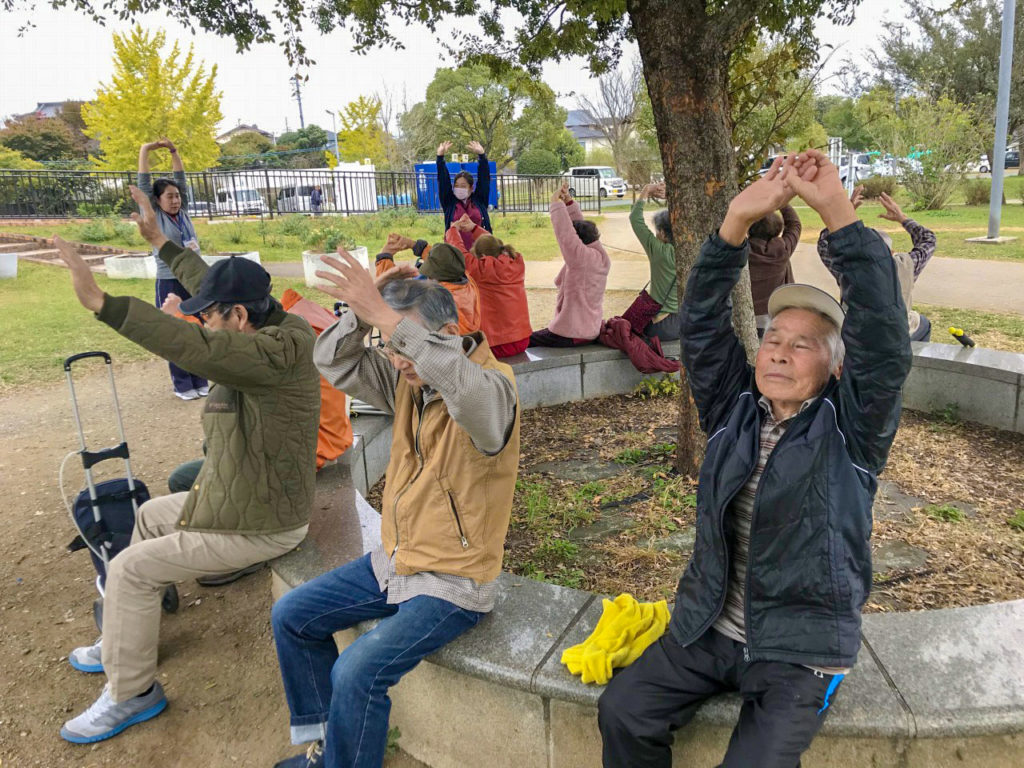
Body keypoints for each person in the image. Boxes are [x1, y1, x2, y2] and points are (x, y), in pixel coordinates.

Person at [597, 151, 913, 768]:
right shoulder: (733, 408)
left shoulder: (854, 429)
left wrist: (837, 213)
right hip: (707, 627)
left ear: (835, 367)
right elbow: (705, 322)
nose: (779, 353)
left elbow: (884, 342)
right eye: (772, 337)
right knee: (624, 713)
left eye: (803, 346)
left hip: (799, 648)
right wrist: (734, 223)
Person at [55, 185, 321, 744]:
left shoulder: (273, 352)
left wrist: (107, 307)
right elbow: (210, 286)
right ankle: (125, 638)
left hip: (264, 520)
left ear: (240, 316)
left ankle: (131, 693)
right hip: (237, 493)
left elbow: (202, 349)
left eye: (211, 317)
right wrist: (164, 244)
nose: (204, 321)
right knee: (149, 516)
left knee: (129, 568)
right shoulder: (263, 320)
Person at [271, 250, 520, 768]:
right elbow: (334, 362)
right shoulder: (408, 382)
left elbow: (468, 394)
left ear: (449, 331)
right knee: (291, 616)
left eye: (402, 342)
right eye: (389, 346)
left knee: (356, 671)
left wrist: (387, 320)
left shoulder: (492, 389)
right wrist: (363, 316)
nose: (395, 357)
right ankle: (329, 749)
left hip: (455, 580)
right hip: (397, 562)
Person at [138, 138, 209, 400]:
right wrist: (146, 150)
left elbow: (181, 176)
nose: (176, 200)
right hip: (170, 280)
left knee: (199, 327)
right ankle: (182, 383)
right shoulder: (154, 215)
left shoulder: (184, 212)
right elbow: (143, 185)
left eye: (177, 195)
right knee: (174, 330)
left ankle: (200, 378)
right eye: (169, 196)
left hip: (193, 279)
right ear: (157, 200)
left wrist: (173, 151)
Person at [818, 188, 936, 341]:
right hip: (896, 334)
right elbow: (928, 240)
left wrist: (843, 216)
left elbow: (823, 244)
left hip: (857, 333)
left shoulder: (846, 269)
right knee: (923, 324)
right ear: (891, 252)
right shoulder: (906, 265)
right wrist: (903, 218)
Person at [530, 183, 610, 347]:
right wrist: (568, 202)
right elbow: (580, 228)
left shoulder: (580, 258)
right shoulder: (600, 255)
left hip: (572, 333)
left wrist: (555, 203)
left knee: (523, 341)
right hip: (590, 329)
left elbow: (566, 233)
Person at [446, 214, 532, 358]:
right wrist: (474, 228)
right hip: (522, 339)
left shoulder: (482, 270)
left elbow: (460, 253)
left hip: (497, 344)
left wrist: (452, 230)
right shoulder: (516, 261)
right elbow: (496, 244)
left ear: (483, 255)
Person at [374, 232, 482, 335]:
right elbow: (444, 259)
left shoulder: (436, 298)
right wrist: (414, 245)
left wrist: (384, 256)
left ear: (434, 278)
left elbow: (392, 292)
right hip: (464, 347)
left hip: (442, 351)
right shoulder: (467, 280)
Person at [629, 182, 679, 341]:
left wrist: (645, 191)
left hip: (661, 326)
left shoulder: (660, 251)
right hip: (685, 323)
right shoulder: (692, 251)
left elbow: (635, 219)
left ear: (663, 233)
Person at [747, 202, 802, 334]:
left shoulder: (741, 251)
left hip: (746, 316)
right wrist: (781, 202)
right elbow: (795, 224)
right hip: (775, 316)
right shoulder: (782, 249)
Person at [436, 139, 492, 249]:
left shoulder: (479, 201)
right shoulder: (450, 203)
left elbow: (484, 180)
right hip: (456, 252)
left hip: (479, 251)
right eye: (456, 185)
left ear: (471, 188)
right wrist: (440, 157)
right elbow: (443, 181)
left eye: (463, 186)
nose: (459, 188)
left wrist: (482, 156)